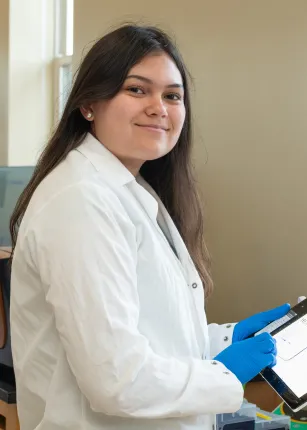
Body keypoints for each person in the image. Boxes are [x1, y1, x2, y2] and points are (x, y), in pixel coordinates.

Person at [9, 25, 290, 430]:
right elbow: (117, 379)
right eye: (137, 90)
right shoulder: (80, 201)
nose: (159, 107)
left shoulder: (130, 190)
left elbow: (149, 337)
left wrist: (227, 341)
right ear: (88, 103)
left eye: (172, 95)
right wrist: (227, 374)